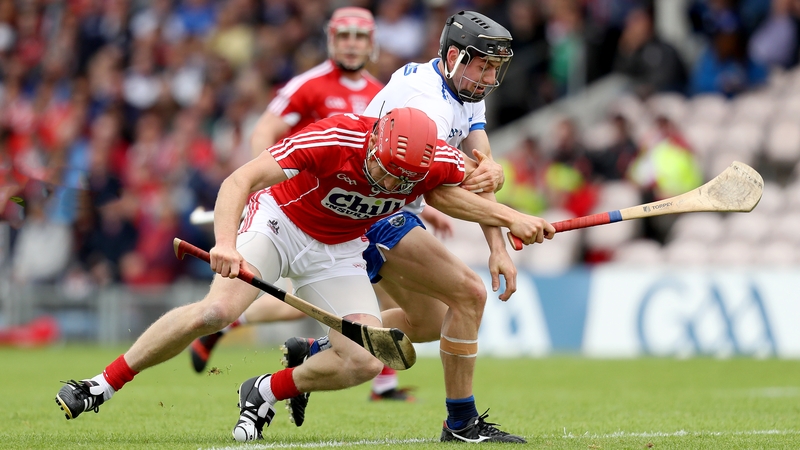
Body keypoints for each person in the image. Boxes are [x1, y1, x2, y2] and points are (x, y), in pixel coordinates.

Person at [53, 107, 554, 443]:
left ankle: (265, 391)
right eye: (383, 169)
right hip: (279, 223)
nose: (388, 183)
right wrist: (225, 244)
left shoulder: (432, 160)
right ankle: (102, 384)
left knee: (361, 363)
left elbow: (466, 188)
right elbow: (239, 180)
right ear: (376, 137)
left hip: (338, 250)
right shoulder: (334, 137)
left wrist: (507, 212)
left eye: (402, 179)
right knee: (216, 311)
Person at [287, 10, 530, 443]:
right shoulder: (426, 102)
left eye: (496, 66)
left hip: (393, 206)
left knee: (426, 324)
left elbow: (480, 171)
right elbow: (441, 193)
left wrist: (499, 247)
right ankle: (461, 423)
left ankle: (316, 350)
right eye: (484, 65)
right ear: (455, 56)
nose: (491, 76)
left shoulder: (466, 86)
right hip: (369, 210)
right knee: (470, 294)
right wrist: (515, 219)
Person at [186, 6, 436, 403]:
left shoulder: (383, 94)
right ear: (330, 40)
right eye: (344, 36)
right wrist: (260, 185)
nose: (352, 44)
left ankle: (376, 379)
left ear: (372, 44)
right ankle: (235, 328)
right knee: (307, 302)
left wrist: (428, 209)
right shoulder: (308, 84)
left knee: (378, 293)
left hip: (356, 212)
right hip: (301, 209)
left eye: (360, 37)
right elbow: (265, 131)